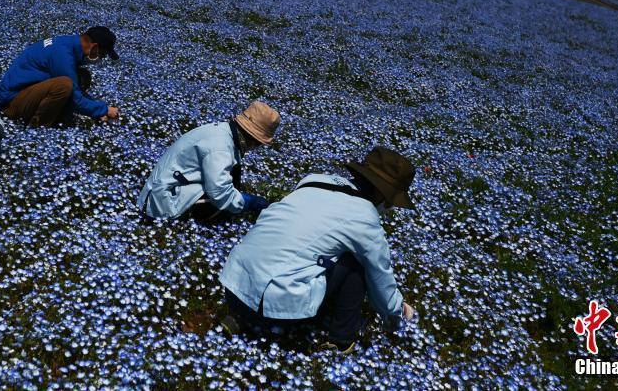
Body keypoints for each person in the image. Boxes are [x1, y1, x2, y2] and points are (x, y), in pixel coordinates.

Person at [218, 147, 418, 354]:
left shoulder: (314, 181)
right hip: (269, 308)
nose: (390, 208)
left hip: (233, 287)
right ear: (383, 195)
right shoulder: (365, 218)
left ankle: (243, 319)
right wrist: (397, 310)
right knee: (358, 264)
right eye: (391, 202)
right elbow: (380, 277)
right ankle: (341, 343)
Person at [138, 101, 280, 220]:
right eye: (259, 143)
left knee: (232, 178)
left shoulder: (224, 132)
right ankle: (191, 223)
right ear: (252, 138)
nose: (257, 147)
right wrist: (248, 203)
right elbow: (219, 193)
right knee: (220, 203)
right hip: (162, 202)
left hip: (163, 188)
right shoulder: (220, 148)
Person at [0, 27, 120, 127]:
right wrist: (103, 109)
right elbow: (74, 97)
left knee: (82, 76)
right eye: (102, 54)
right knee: (64, 85)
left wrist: (98, 108)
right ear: (94, 47)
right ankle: (39, 127)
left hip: (26, 92)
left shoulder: (68, 43)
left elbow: (75, 88)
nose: (102, 59)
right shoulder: (63, 54)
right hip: (12, 103)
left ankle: (57, 114)